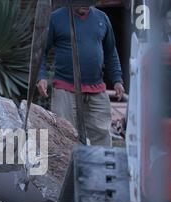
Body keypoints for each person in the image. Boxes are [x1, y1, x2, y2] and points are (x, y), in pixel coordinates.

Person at [37, 5, 125, 147]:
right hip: (65, 89)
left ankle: (98, 167)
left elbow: (110, 51)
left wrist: (117, 79)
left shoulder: (101, 18)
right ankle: (66, 169)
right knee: (64, 135)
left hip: (96, 89)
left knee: (102, 135)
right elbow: (41, 51)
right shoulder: (56, 18)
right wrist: (41, 77)